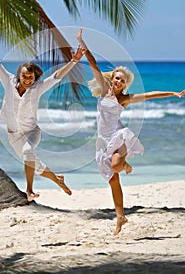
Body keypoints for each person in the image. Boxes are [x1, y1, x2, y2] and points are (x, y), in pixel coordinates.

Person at [76, 28, 185, 235]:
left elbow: (150, 95)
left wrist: (172, 93)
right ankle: (121, 217)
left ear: (125, 85)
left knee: (116, 167)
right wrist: (82, 43)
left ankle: (125, 164)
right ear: (112, 80)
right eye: (116, 78)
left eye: (122, 80)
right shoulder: (105, 90)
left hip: (119, 136)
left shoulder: (124, 99)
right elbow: (92, 64)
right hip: (102, 141)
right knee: (112, 181)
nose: (118, 82)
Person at [0, 22, 84, 202]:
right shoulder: (9, 81)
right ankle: (58, 179)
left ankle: (30, 190)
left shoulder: (38, 88)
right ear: (19, 75)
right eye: (25, 76)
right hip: (13, 135)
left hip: (32, 132)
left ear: (34, 78)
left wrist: (73, 61)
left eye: (31, 77)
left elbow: (56, 77)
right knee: (36, 165)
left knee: (27, 153)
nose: (27, 80)